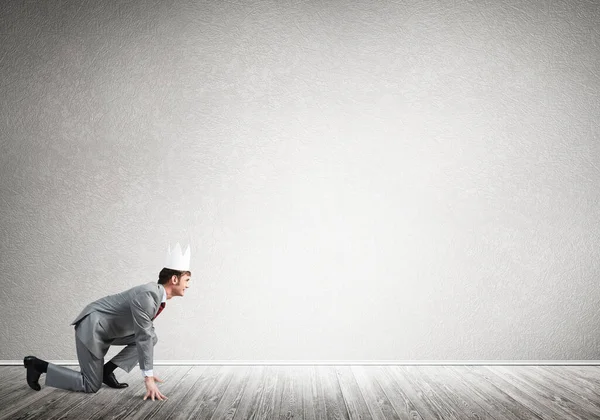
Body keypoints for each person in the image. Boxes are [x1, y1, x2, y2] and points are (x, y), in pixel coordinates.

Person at [24, 243, 191, 401]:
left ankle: (106, 371)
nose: (188, 286)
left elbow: (146, 335)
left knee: (151, 337)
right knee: (89, 385)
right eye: (187, 280)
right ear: (174, 279)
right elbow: (143, 335)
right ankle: (38, 365)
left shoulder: (155, 297)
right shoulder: (148, 295)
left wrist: (148, 371)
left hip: (109, 329)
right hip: (93, 327)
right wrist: (148, 377)